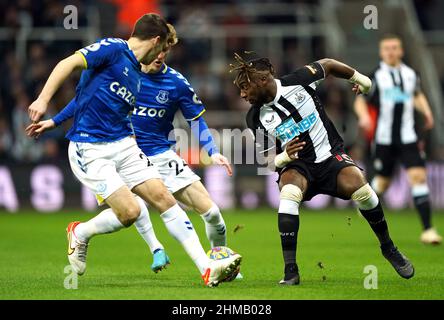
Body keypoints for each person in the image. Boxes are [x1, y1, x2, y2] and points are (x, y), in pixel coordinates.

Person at [26, 14, 241, 287]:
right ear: (155, 40)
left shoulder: (142, 73)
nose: (162, 54)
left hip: (125, 144)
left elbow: (95, 98)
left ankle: (207, 269)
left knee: (164, 198)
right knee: (129, 213)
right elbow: (67, 63)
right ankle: (80, 232)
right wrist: (45, 102)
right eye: (162, 47)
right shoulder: (113, 49)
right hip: (90, 147)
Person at [230, 53, 414, 285]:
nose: (242, 94)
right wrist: (284, 156)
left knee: (362, 190)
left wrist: (361, 79)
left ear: (262, 81)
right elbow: (268, 160)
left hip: (330, 157)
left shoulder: (299, 80)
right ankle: (291, 271)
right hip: (297, 166)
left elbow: (327, 65)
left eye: (246, 88)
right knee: (288, 194)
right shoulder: (255, 117)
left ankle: (389, 248)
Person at [354, 34, 442, 245]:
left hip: (408, 138)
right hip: (384, 140)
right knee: (383, 182)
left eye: (395, 48)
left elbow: (416, 95)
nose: (391, 52)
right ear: (381, 52)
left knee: (418, 178)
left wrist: (427, 112)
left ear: (401, 51)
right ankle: (367, 199)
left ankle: (428, 230)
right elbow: (360, 100)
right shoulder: (375, 76)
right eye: (387, 49)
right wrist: (364, 116)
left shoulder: (411, 74)